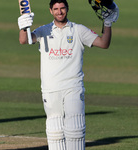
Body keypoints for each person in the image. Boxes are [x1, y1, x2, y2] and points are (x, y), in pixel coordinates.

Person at [18, 0, 119, 149]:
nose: (59, 12)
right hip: (50, 89)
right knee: (55, 133)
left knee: (75, 130)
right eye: (56, 9)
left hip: (73, 87)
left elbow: (104, 43)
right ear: (51, 11)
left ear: (67, 9)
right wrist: (23, 26)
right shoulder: (43, 31)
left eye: (62, 8)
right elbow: (23, 40)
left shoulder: (78, 30)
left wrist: (108, 23)